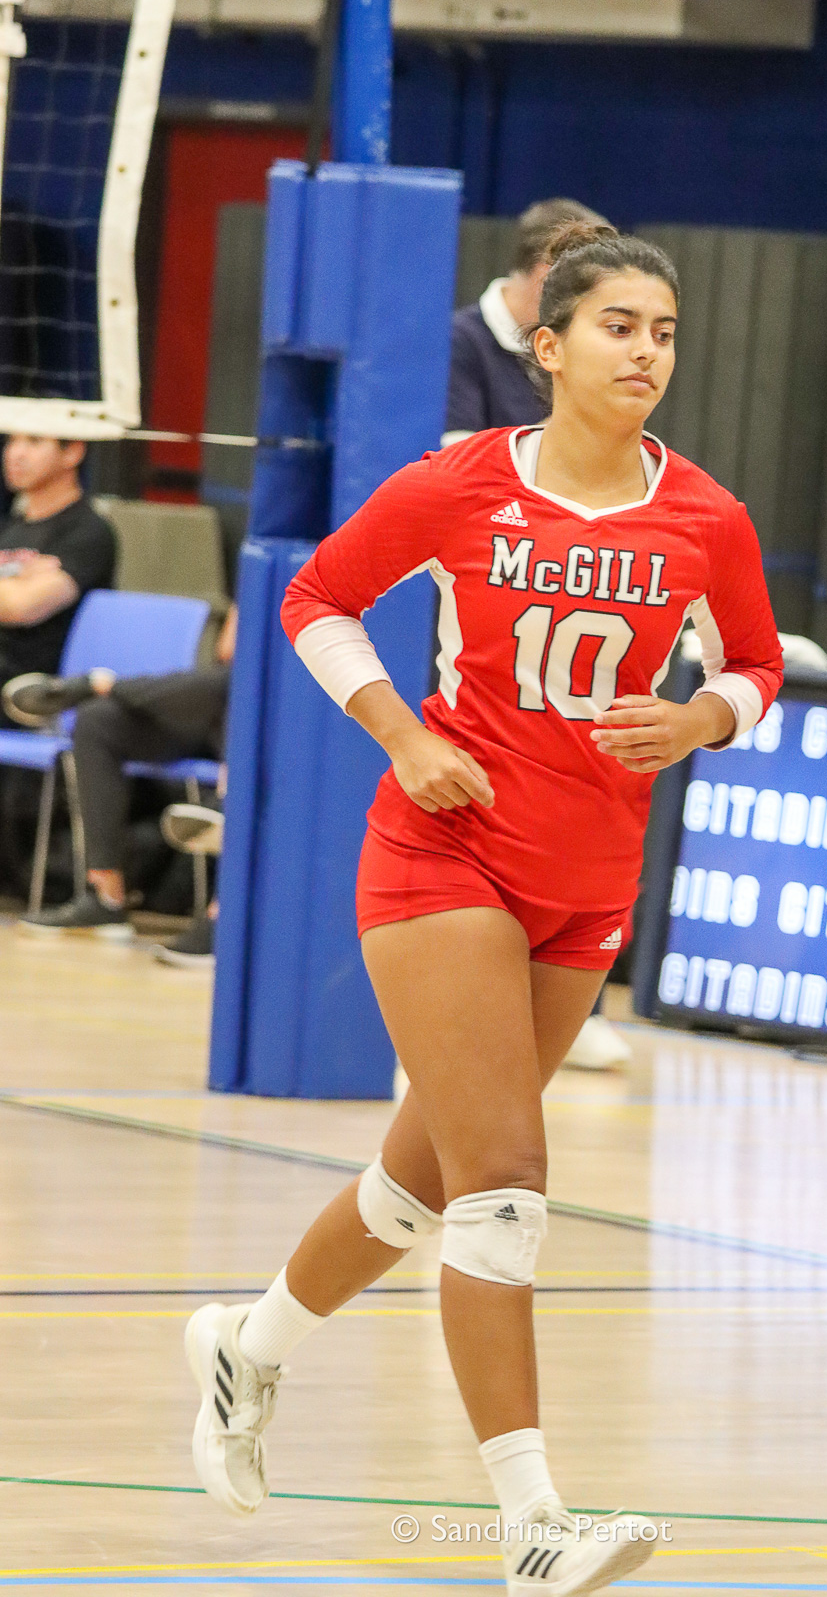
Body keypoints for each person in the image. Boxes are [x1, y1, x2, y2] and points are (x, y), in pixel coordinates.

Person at [183, 222, 782, 1594]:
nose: (646, 351)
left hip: (587, 887)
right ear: (549, 344)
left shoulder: (703, 515)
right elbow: (319, 600)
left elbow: (754, 665)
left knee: (420, 1185)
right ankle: (532, 1528)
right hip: (444, 857)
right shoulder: (461, 482)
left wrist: (695, 716)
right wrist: (401, 734)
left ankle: (245, 1347)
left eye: (665, 331)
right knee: (505, 1180)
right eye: (620, 326)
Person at [446, 197, 631, 1070]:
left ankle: (558, 988)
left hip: (565, 604)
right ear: (537, 280)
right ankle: (458, 1007)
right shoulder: (460, 346)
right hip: (480, 602)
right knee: (476, 798)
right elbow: (465, 481)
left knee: (570, 786)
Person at [9, 604, 235, 947]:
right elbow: (229, 648)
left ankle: (225, 916)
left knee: (233, 686)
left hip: (274, 712)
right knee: (100, 722)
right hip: (212, 712)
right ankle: (105, 896)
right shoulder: (271, 568)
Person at [443, 198, 606, 447]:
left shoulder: (572, 342)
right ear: (547, 276)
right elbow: (459, 456)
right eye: (588, 286)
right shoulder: (459, 340)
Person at [0, 433, 115, 726]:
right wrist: (19, 580)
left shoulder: (88, 532)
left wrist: (17, 591)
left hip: (32, 690)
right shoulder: (11, 528)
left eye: (35, 441)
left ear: (73, 452)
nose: (16, 454)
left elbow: (22, 608)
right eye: (12, 441)